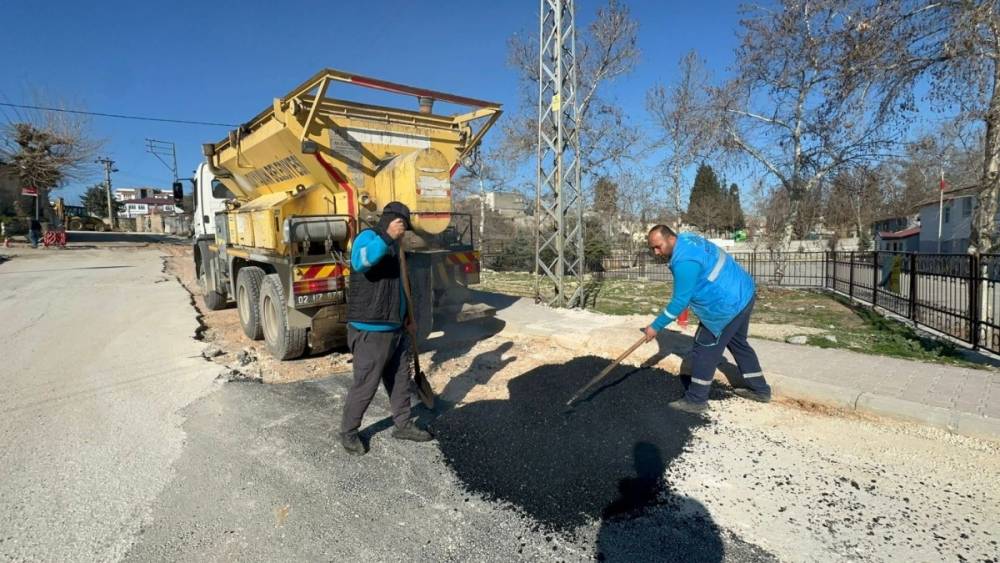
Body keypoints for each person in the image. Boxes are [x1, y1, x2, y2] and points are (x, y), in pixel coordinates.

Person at [643, 225, 772, 413]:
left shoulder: (684, 261)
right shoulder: (687, 239)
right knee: (738, 343)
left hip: (725, 304)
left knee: (704, 348)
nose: (656, 252)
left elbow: (680, 302)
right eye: (652, 248)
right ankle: (761, 390)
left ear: (670, 239)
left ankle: (696, 400)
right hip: (743, 291)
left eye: (658, 246)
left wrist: (655, 327)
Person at [340, 202, 433, 456]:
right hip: (370, 328)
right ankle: (348, 432)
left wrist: (407, 318)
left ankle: (403, 424)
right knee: (366, 384)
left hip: (395, 328)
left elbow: (401, 288)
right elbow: (360, 262)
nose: (403, 232)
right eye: (402, 226)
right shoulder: (368, 237)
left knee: (401, 380)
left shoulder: (397, 248)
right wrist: (386, 236)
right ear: (393, 221)